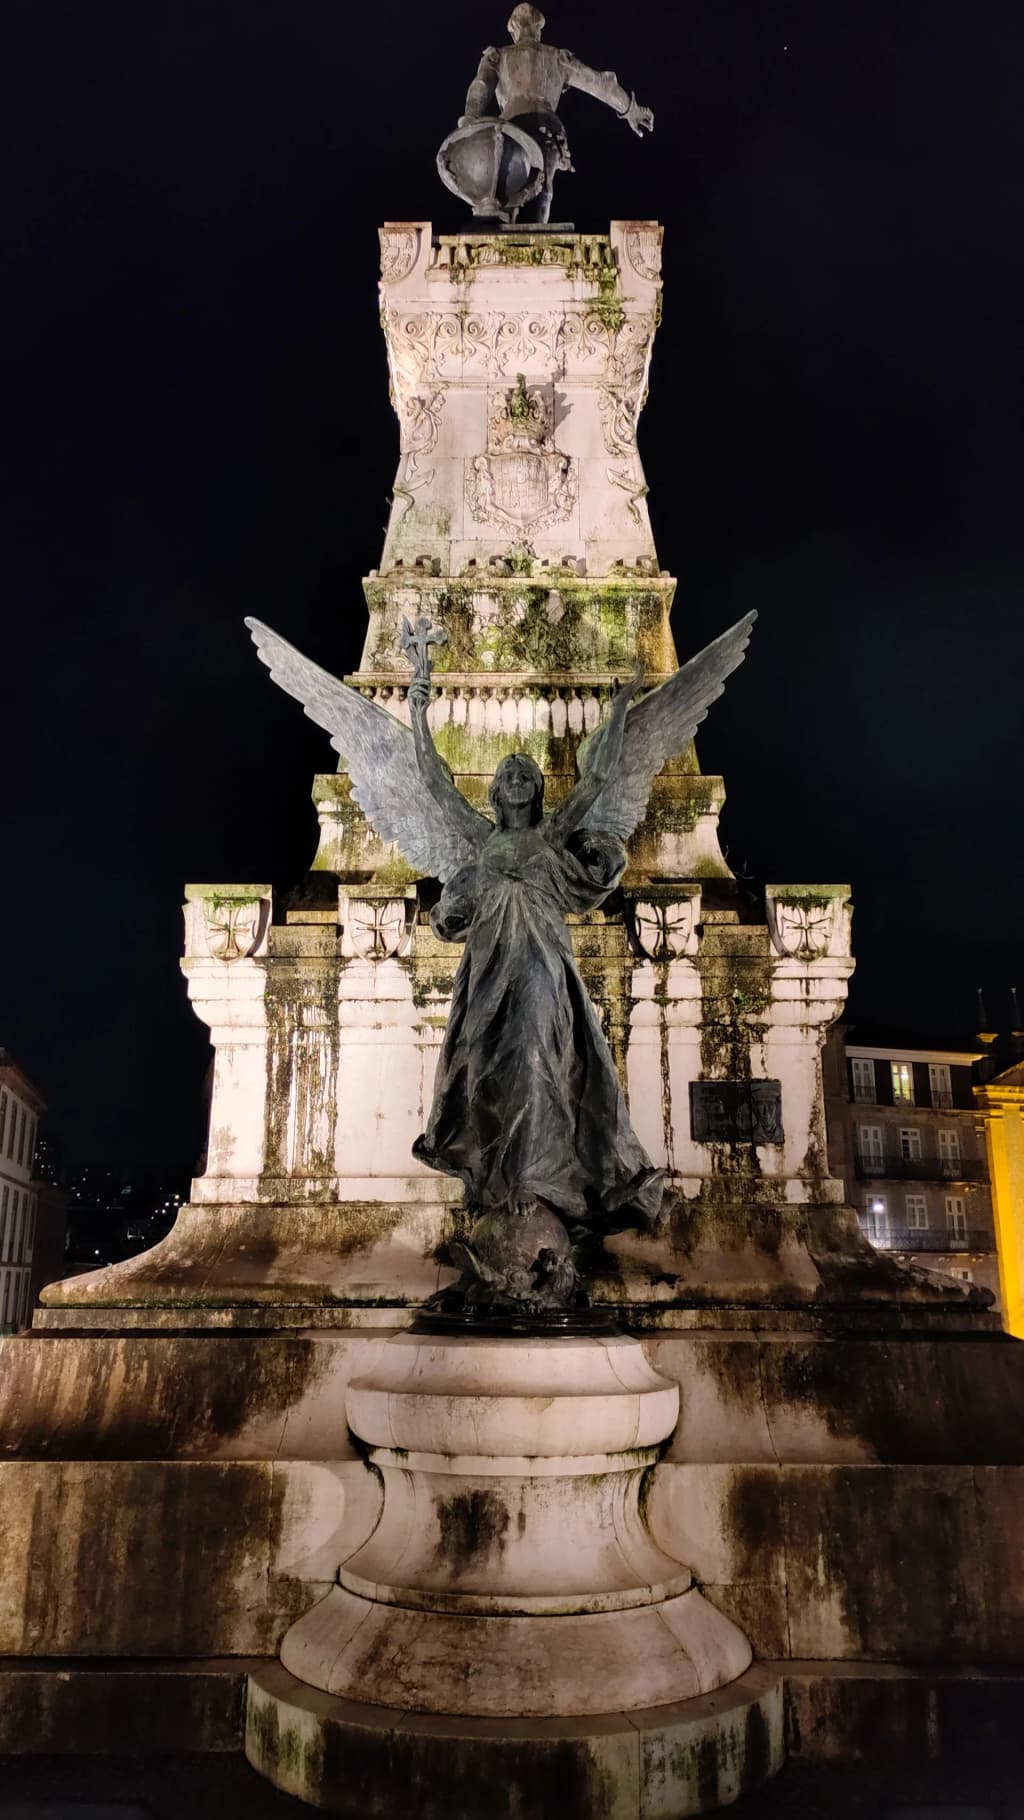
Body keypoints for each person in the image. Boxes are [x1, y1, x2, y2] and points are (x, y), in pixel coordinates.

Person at [408, 668, 664, 1229]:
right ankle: (497, 1181)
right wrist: (418, 710)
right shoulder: (482, 839)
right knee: (486, 1070)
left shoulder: (552, 835)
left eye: (526, 772)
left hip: (544, 967)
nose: (519, 776)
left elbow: (596, 779)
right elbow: (433, 786)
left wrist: (620, 709)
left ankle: (541, 1186)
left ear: (538, 790)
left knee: (538, 1060)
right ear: (496, 792)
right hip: (489, 969)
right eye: (509, 773)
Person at [457, 4, 654, 223]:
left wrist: (471, 118)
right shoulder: (557, 57)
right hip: (545, 127)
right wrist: (631, 109)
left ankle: (505, 233)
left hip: (511, 131)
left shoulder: (498, 56)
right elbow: (599, 84)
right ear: (538, 29)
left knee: (508, 189)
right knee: (544, 188)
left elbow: (481, 86)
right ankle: (539, 237)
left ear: (513, 29)